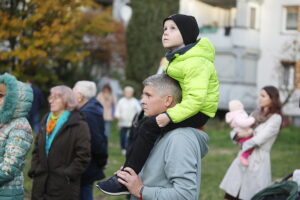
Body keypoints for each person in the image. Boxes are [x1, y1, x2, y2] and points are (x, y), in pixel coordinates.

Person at [97, 13, 219, 195]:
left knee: (149, 126)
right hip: (187, 107)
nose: (165, 33)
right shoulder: (179, 58)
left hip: (198, 111)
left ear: (186, 33)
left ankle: (125, 178)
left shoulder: (196, 62)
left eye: (172, 29)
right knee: (142, 126)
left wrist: (168, 115)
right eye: (164, 29)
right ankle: (128, 171)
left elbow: (196, 99)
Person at [117, 74, 209, 199]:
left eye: (148, 95)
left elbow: (185, 196)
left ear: (168, 100)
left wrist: (140, 190)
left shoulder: (179, 138)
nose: (142, 101)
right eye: (143, 95)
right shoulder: (156, 131)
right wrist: (131, 177)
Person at [220, 86, 283, 200]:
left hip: (258, 160)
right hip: (242, 159)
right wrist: (238, 136)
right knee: (231, 194)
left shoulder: (275, 118)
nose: (260, 98)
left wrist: (244, 140)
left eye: (263, 96)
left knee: (249, 195)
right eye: (260, 95)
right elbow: (236, 131)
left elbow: (259, 139)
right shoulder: (255, 113)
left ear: (272, 99)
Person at [28, 85, 91, 200]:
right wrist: (35, 168)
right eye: (51, 97)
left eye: (56, 97)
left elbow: (83, 156)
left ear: (67, 100)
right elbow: (37, 148)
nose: (51, 100)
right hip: (40, 184)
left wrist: (67, 174)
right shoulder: (45, 119)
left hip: (64, 187)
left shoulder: (79, 124)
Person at [0, 73, 33, 200]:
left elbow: (8, 169)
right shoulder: (2, 121)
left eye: (0, 95)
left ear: (13, 100)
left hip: (7, 194)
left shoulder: (20, 127)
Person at [73, 81, 108, 200]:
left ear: (80, 96)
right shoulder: (90, 109)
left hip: (87, 165)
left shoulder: (87, 113)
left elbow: (96, 140)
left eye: (73, 91)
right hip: (88, 163)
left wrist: (102, 161)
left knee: (84, 193)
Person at [225, 100, 255, 166]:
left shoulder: (234, 114)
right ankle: (244, 157)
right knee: (250, 145)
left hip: (241, 132)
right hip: (243, 132)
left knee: (247, 145)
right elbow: (242, 123)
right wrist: (252, 120)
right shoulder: (238, 114)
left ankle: (244, 155)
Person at [115, 86, 141, 155]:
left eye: (130, 92)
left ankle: (128, 148)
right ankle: (123, 148)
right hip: (123, 123)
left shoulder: (134, 101)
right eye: (127, 92)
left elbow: (139, 110)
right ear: (124, 93)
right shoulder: (121, 101)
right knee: (123, 136)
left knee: (130, 136)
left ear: (132, 93)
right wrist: (118, 116)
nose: (128, 94)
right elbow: (117, 111)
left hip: (131, 123)